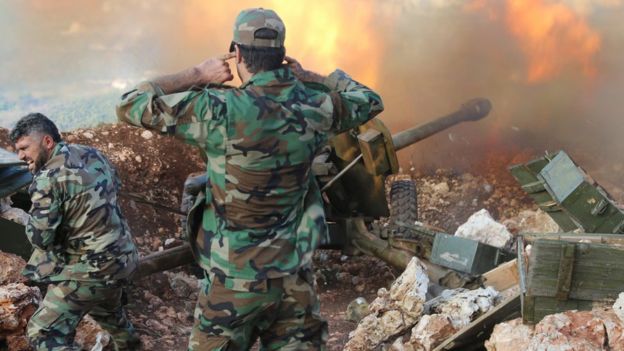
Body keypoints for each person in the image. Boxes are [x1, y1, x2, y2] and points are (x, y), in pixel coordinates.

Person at [116, 7, 384, 350]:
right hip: (293, 282)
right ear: (283, 56)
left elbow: (130, 104)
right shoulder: (316, 107)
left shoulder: (219, 110)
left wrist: (198, 72)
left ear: (238, 53)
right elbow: (368, 100)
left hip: (233, 282)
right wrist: (312, 78)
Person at [10, 113, 140, 350]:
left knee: (43, 333)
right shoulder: (92, 153)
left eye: (25, 148)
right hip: (124, 260)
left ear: (47, 142)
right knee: (111, 317)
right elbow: (115, 187)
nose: (21, 156)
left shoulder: (46, 179)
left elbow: (41, 238)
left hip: (89, 270)